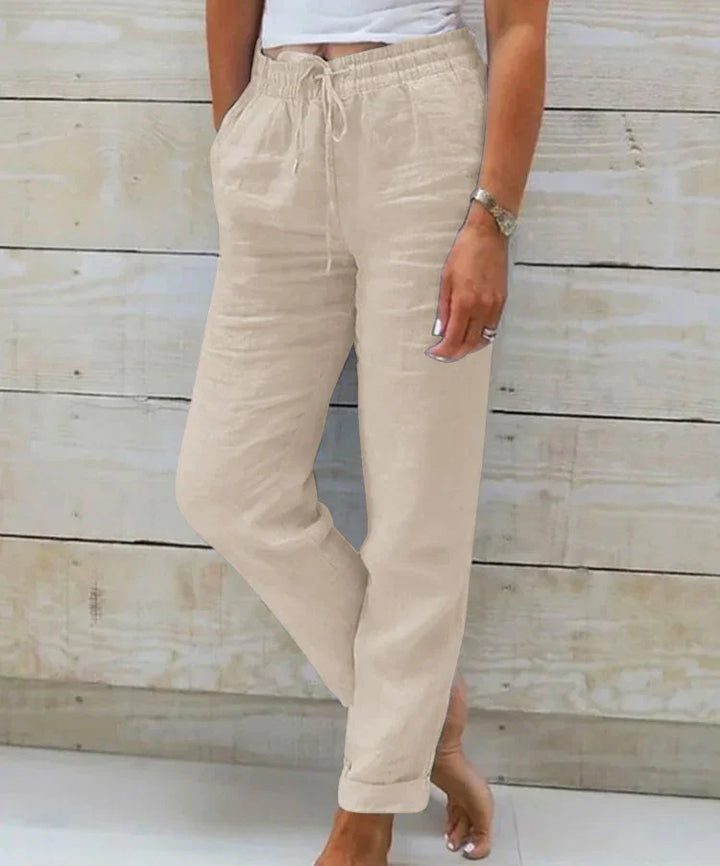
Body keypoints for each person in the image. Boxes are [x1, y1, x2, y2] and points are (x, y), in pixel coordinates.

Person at [175, 0, 549, 862]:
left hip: (420, 129)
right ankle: (424, 721)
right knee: (226, 486)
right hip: (276, 119)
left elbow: (520, 27)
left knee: (420, 508)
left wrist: (491, 219)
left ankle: (367, 816)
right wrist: (236, 138)